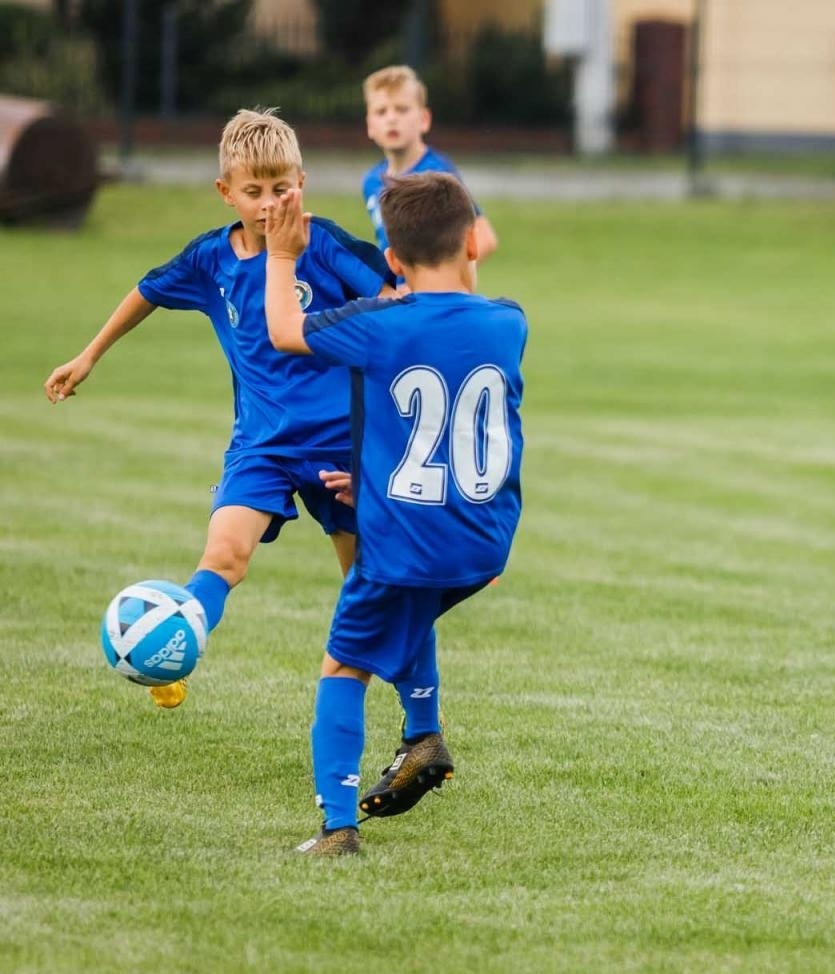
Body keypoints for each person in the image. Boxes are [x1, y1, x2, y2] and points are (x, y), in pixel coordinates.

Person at [43, 108, 395, 709]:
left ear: (301, 183)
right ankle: (174, 644)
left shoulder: (326, 244)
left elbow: (393, 300)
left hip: (344, 448)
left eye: (280, 189)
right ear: (225, 192)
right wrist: (89, 355)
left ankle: (409, 711)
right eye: (252, 191)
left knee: (364, 589)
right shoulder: (212, 260)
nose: (267, 203)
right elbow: (146, 290)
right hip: (263, 446)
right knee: (224, 556)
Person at [262, 172, 526, 856]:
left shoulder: (378, 324)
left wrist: (284, 254)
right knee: (410, 608)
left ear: (393, 261)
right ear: (473, 241)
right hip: (484, 544)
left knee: (343, 667)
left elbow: (284, 331)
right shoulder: (508, 322)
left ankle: (337, 829)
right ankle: (424, 736)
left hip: (408, 542)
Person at [361, 65, 497, 263]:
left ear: (424, 119)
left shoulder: (437, 175)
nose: (391, 119)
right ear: (370, 126)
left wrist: (442, 284)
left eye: (402, 109)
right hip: (396, 293)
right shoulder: (371, 182)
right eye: (381, 112)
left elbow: (484, 239)